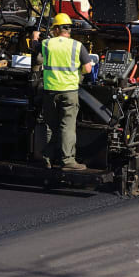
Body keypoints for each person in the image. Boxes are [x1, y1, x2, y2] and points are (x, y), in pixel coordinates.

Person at [38, 13, 93, 170]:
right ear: (69, 29)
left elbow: (38, 59)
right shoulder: (77, 46)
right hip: (69, 91)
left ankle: (47, 159)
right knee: (67, 126)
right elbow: (88, 68)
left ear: (56, 29)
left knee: (49, 125)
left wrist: (35, 38)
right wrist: (79, 74)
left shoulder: (47, 43)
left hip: (50, 90)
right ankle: (67, 161)